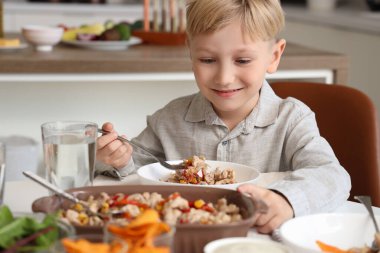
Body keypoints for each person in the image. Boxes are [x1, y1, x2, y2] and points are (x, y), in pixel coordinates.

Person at [96, 0, 351, 234]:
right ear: (190, 52)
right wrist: (116, 158)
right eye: (207, 59)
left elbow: (332, 176)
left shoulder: (292, 120)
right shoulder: (170, 119)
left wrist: (285, 200)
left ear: (273, 56)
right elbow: (139, 165)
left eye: (242, 60)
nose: (224, 77)